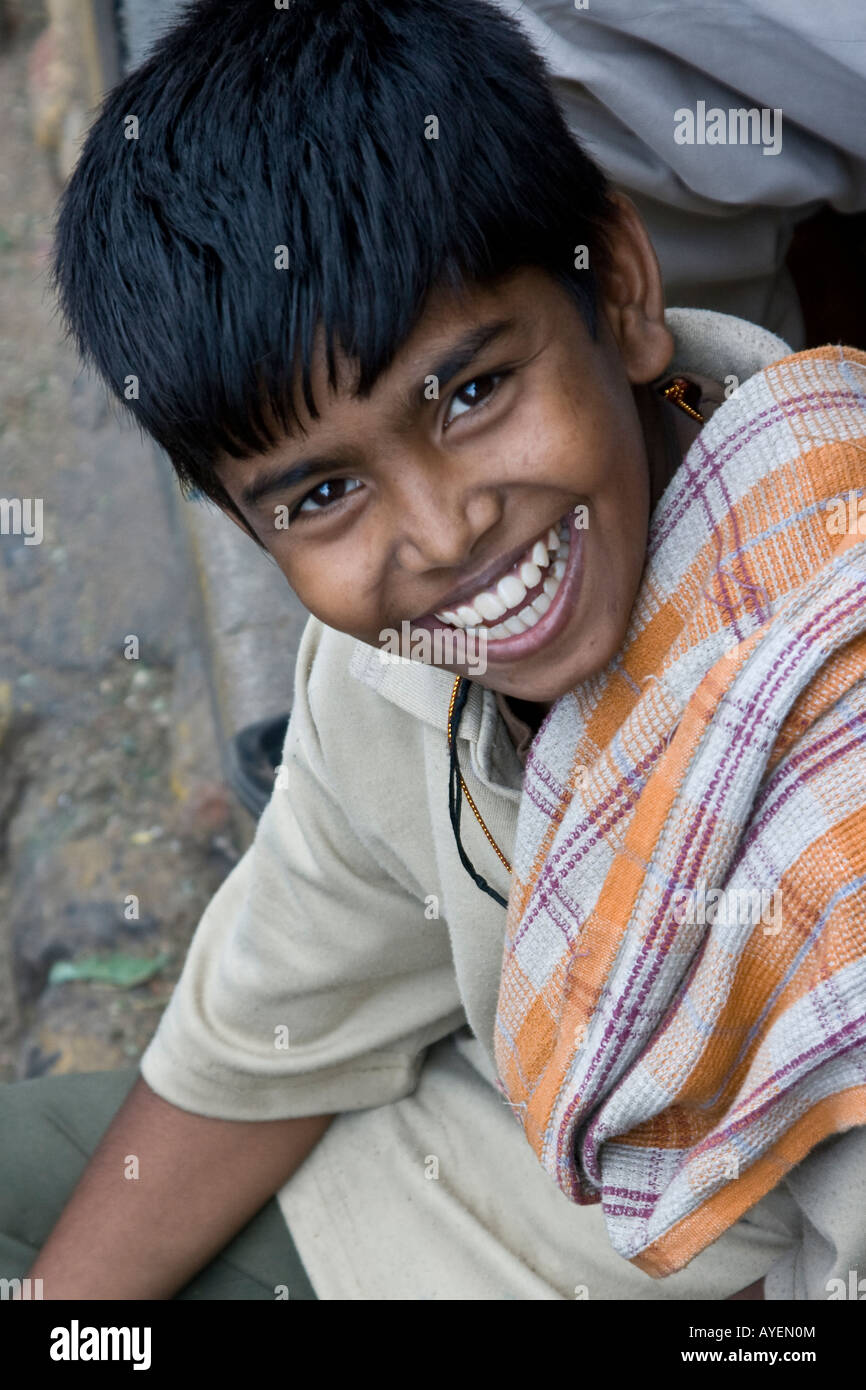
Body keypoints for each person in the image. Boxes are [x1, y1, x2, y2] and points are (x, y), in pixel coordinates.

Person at [3, 0, 866, 1301]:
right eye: (321, 495)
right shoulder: (403, 655)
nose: (442, 530)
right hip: (416, 1158)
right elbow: (272, 1027)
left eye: (471, 395)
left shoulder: (826, 781)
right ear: (252, 529)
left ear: (620, 293)